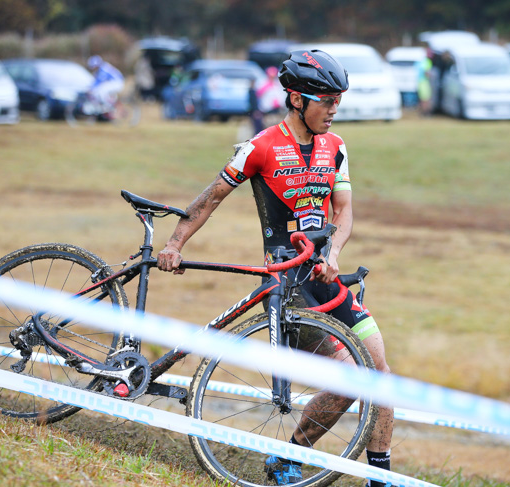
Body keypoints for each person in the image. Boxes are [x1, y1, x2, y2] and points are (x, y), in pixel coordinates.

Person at [157, 49, 394, 487]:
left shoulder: (336, 147)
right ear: (297, 99)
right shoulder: (261, 147)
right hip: (288, 283)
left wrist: (334, 253)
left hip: (326, 277)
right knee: (347, 379)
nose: (334, 109)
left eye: (338, 99)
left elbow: (343, 213)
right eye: (326, 100)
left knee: (381, 375)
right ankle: (288, 457)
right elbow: (210, 198)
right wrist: (174, 243)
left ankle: (381, 476)